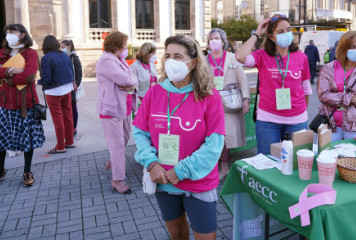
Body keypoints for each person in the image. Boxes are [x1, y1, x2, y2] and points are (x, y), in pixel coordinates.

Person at [133, 34, 225, 240]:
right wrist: (151, 163)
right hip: (162, 177)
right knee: (177, 235)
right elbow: (140, 132)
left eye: (178, 56)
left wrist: (183, 170)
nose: (171, 61)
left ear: (193, 63)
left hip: (196, 179)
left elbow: (215, 143)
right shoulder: (154, 93)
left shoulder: (209, 96)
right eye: (167, 56)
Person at [236, 15, 312, 155]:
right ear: (271, 37)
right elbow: (240, 57)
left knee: (294, 163)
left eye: (288, 30)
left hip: (297, 121)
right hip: (268, 121)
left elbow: (306, 89)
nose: (286, 34)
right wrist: (257, 33)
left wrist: (302, 111)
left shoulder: (301, 57)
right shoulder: (262, 56)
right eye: (281, 32)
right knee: (268, 162)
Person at [0, 24, 45, 186]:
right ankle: (1, 170)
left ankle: (27, 171)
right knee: (1, 138)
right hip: (5, 103)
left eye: (12, 32)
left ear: (23, 35)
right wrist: (9, 71)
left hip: (25, 104)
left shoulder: (30, 53)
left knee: (27, 139)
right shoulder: (2, 53)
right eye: (7, 32)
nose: (9, 35)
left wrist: (6, 77)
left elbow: (29, 77)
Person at [96, 31, 138, 194]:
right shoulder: (106, 60)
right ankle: (117, 180)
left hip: (124, 107)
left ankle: (114, 161)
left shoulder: (119, 60)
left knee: (125, 138)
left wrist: (131, 84)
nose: (126, 48)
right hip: (111, 109)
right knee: (118, 145)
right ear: (117, 46)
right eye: (124, 45)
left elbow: (133, 79)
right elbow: (125, 80)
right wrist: (131, 83)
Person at [206, 28, 250, 180]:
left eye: (217, 38)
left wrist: (246, 98)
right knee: (214, 135)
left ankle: (224, 166)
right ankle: (214, 165)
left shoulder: (232, 58)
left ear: (223, 41)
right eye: (211, 38)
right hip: (211, 103)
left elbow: (242, 79)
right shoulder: (205, 60)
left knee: (227, 135)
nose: (214, 41)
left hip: (230, 102)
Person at [40, 35, 75, 154]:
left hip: (53, 91)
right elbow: (71, 71)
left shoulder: (46, 58)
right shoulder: (64, 55)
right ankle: (70, 142)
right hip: (67, 88)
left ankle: (60, 146)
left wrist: (40, 82)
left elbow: (47, 78)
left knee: (58, 118)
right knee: (68, 115)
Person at [60, 39, 82, 136]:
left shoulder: (74, 58)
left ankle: (74, 128)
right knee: (65, 109)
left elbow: (79, 73)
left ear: (69, 47)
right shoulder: (62, 57)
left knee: (73, 108)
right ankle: (67, 127)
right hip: (64, 87)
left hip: (72, 88)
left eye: (63, 47)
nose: (61, 49)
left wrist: (75, 84)